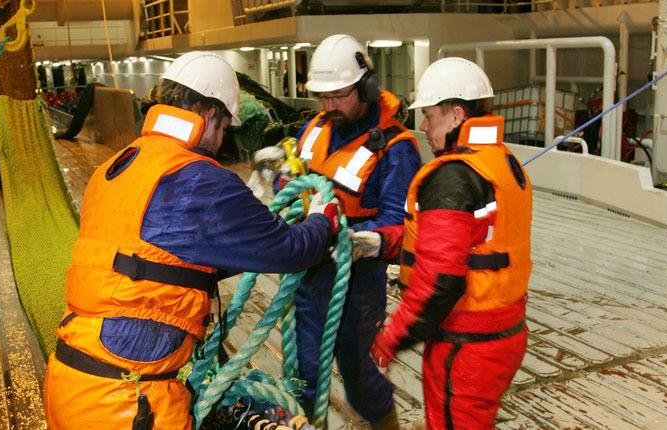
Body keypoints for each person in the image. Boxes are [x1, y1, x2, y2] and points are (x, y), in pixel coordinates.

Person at [43, 51, 339, 429]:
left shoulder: (119, 167)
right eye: (224, 128)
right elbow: (291, 249)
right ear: (210, 116)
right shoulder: (199, 179)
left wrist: (265, 221)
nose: (221, 142)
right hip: (128, 403)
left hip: (71, 385)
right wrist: (320, 221)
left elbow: (166, 260)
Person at [355, 57, 532, 429]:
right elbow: (457, 240)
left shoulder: (452, 177)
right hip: (505, 334)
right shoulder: (501, 161)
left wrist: (390, 337)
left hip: (467, 344)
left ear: (455, 115)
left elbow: (439, 282)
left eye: (430, 116)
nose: (424, 126)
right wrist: (378, 241)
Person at [284, 34, 421, 429]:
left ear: (365, 87)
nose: (328, 107)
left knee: (360, 374)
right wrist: (279, 179)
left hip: (357, 281)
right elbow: (294, 178)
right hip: (309, 273)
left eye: (339, 96)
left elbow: (401, 222)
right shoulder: (313, 129)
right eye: (322, 98)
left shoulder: (396, 148)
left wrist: (362, 240)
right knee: (304, 373)